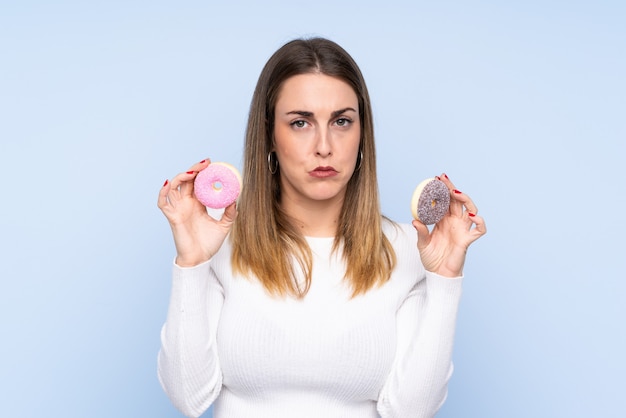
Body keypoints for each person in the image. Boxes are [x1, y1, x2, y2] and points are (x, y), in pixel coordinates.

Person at [156, 37, 486, 418]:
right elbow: (188, 397)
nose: (324, 146)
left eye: (342, 121)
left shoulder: (410, 249)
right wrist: (193, 263)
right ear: (270, 135)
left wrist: (444, 281)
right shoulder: (219, 243)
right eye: (300, 122)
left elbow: (411, 411)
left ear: (363, 133)